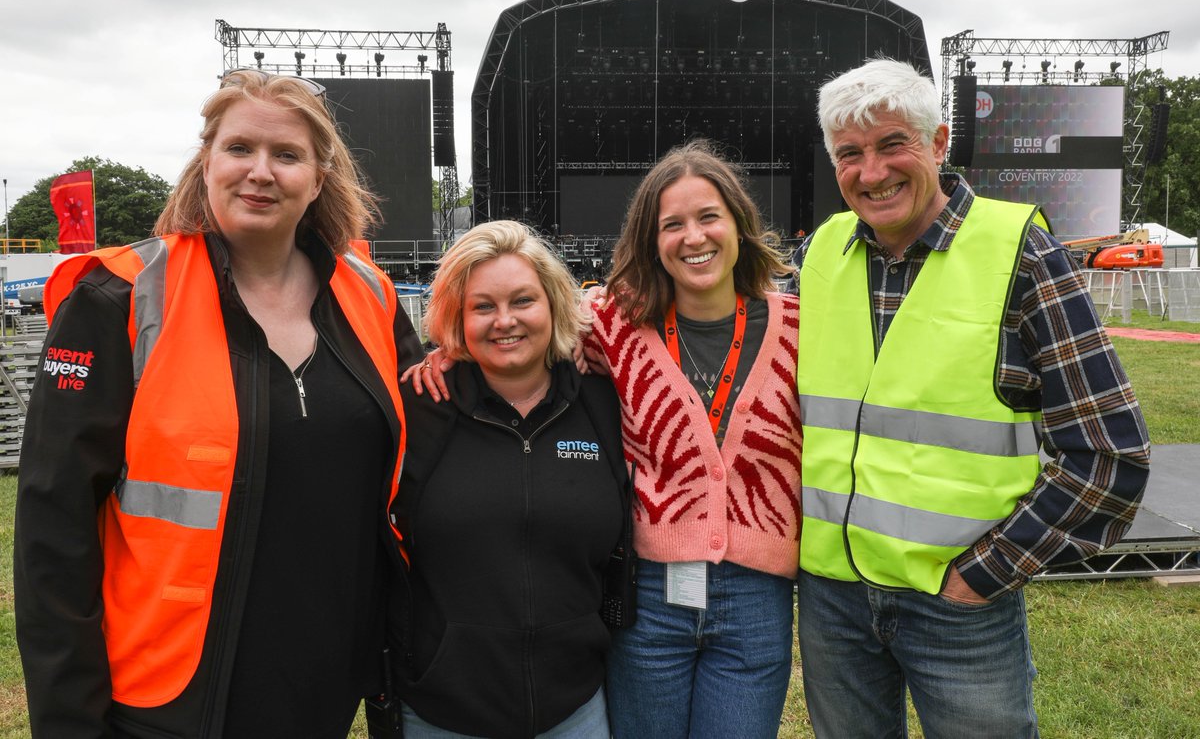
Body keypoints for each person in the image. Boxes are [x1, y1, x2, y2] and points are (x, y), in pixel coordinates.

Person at [13, 68, 423, 738]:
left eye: (286, 154)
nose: (260, 171)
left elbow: (435, 425)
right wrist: (69, 720)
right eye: (239, 148)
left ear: (317, 179)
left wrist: (567, 354)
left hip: (324, 687)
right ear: (207, 162)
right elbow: (52, 532)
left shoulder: (370, 295)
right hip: (169, 693)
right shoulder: (121, 296)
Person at [793, 58, 1151, 737]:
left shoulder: (1020, 255)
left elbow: (1108, 456)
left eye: (892, 144)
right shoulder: (820, 255)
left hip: (959, 605)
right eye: (850, 154)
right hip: (833, 598)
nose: (872, 172)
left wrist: (984, 574)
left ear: (938, 143)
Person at [586, 140, 802, 738]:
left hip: (756, 597)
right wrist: (448, 355)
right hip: (649, 594)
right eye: (672, 224)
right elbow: (517, 337)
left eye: (709, 216)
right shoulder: (614, 328)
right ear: (651, 240)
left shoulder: (799, 328)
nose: (694, 237)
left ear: (738, 223)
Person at [388, 220, 628, 738]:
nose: (505, 321)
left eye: (523, 300)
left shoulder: (603, 401)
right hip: (443, 713)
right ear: (457, 317)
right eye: (482, 306)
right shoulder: (419, 407)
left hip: (575, 710)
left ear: (553, 304)